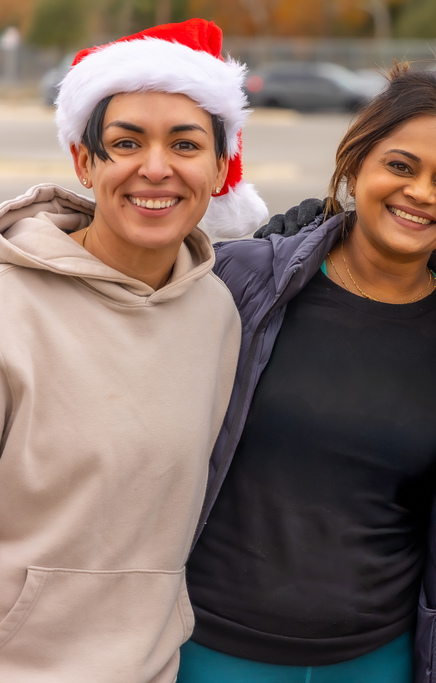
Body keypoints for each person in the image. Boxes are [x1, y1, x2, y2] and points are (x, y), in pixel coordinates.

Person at [178, 64, 436, 683]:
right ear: (356, 163)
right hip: (215, 646)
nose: (420, 192)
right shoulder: (245, 280)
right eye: (401, 165)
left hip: (376, 657)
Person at [0, 18, 265, 682]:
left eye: (185, 143)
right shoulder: (9, 307)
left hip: (153, 667)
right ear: (85, 162)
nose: (156, 167)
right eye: (126, 142)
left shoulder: (217, 315)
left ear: (217, 167)